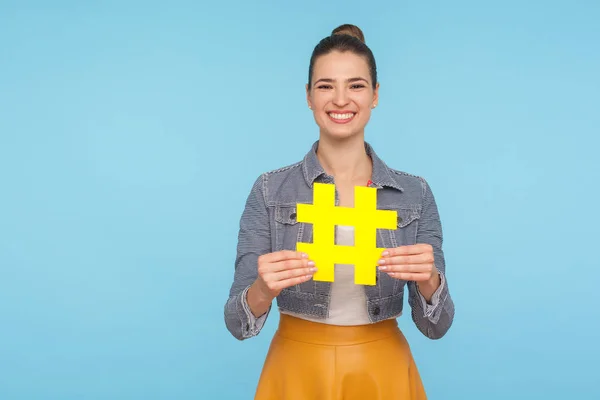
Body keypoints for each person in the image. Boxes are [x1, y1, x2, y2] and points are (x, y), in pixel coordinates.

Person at [224, 23, 455, 400]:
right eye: (326, 85)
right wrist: (263, 289)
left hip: (382, 368)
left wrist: (429, 280)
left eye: (357, 85)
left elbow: (437, 327)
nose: (341, 100)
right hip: (296, 366)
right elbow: (238, 324)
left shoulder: (415, 193)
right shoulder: (270, 190)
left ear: (376, 95)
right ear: (309, 96)